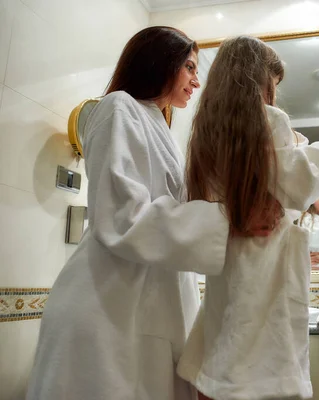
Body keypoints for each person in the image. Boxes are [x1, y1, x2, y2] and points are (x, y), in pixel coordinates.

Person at [26, 27, 265, 400]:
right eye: (188, 67)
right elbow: (124, 215)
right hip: (108, 305)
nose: (196, 81)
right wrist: (225, 223)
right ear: (159, 62)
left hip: (146, 306)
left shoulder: (158, 126)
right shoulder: (119, 106)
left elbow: (177, 213)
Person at [176, 36, 319, 400]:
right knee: (266, 372)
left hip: (230, 267)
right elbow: (300, 185)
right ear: (260, 78)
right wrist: (314, 148)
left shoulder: (205, 132)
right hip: (269, 268)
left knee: (222, 365)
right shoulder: (269, 120)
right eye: (274, 84)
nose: (275, 94)